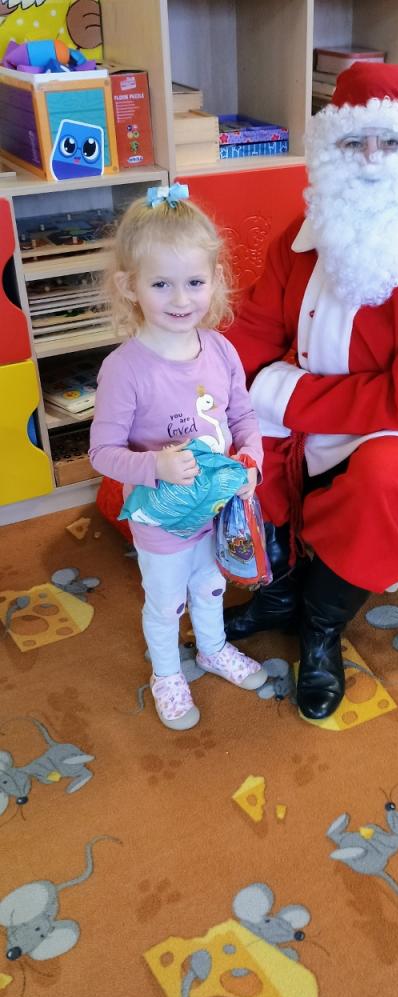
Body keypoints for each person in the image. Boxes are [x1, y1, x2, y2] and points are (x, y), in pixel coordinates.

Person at [224, 62, 398, 722]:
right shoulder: (308, 230)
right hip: (316, 388)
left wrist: (283, 395)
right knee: (238, 438)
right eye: (354, 142)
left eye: (391, 141)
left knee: (380, 481)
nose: (373, 158)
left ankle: (321, 626)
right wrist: (216, 383)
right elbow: (258, 327)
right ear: (331, 149)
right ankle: (281, 592)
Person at [89, 185, 267, 731]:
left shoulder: (221, 349)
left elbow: (244, 417)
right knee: (166, 603)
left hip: (216, 512)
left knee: (211, 587)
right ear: (130, 286)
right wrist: (155, 467)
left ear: (215, 279)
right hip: (161, 521)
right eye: (161, 283)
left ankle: (212, 649)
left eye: (194, 282)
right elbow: (102, 453)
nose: (181, 299)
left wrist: (251, 461)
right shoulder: (125, 369)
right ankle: (166, 674)